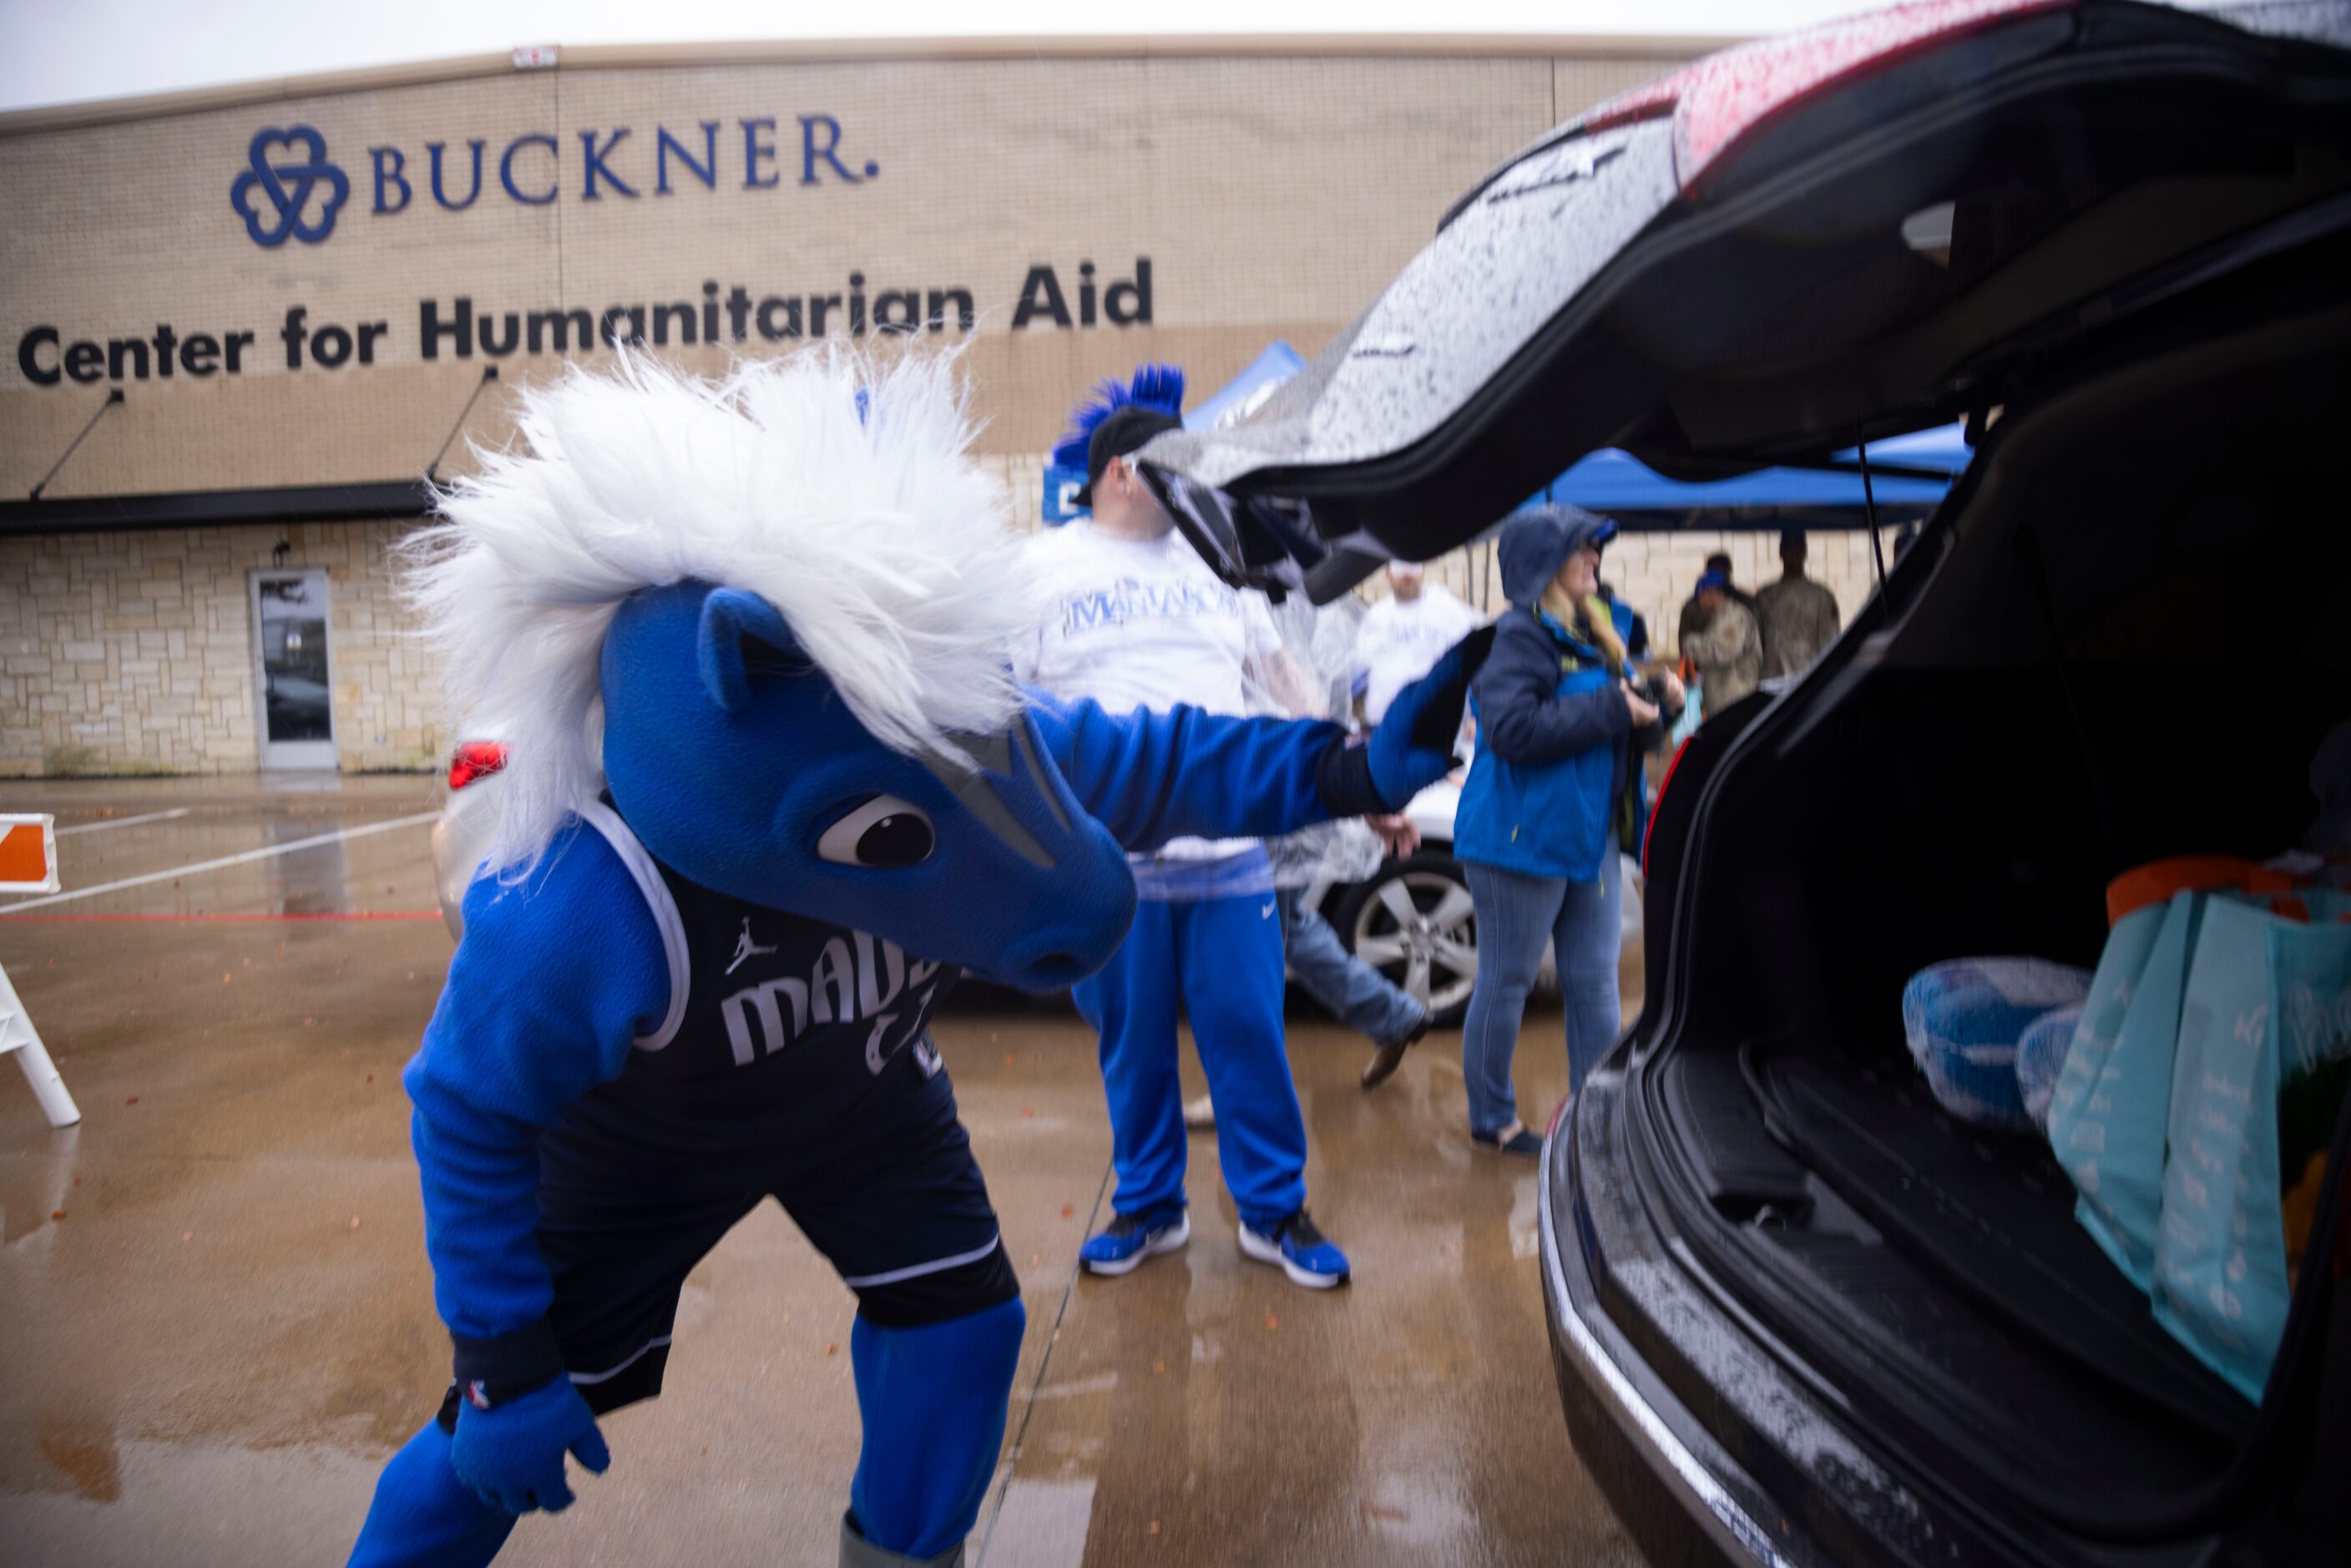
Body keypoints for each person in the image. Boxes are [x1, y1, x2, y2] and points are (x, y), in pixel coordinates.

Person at [342, 350, 1469, 1568]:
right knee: (484, 1452)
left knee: (963, 1335)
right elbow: (463, 1104)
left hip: (864, 1102)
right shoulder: (587, 903)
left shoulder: (931, 721)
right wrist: (502, 1355)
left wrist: (1344, 768)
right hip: (641, 1151)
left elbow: (1149, 761)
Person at [1019, 364, 1418, 1290]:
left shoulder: (1215, 567)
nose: (1196, 481)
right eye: (1177, 465)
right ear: (1123, 472)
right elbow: (1007, 713)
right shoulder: (1034, 570)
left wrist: (1365, 784)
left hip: (1230, 856)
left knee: (1248, 1033)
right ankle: (1150, 1208)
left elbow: (1287, 690)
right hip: (1109, 862)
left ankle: (1273, 1212)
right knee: (1134, 1049)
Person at [1453, 506, 1681, 1156]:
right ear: (1542, 563)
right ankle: (1493, 1119)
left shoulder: (1607, 628)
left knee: (1594, 983)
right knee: (1507, 981)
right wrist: (1614, 705)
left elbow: (1629, 730)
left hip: (1591, 837)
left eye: (1594, 547)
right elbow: (1512, 732)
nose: (1594, 557)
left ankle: (1596, 1119)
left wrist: (1658, 709)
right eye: (1581, 548)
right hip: (1518, 842)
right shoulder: (1518, 637)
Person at [1353, 560, 1482, 724]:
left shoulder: (1449, 611)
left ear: (1422, 571)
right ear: (1387, 574)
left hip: (1439, 724)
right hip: (1386, 724)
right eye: (1399, 567)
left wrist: (1473, 715)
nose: (1407, 573)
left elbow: (1473, 663)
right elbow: (1359, 671)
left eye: (1413, 565)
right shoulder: (1376, 617)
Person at [1754, 529, 1842, 677]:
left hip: (1808, 676)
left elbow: (1829, 641)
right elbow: (1756, 643)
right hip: (1772, 675)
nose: (1793, 553)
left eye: (1798, 547)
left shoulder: (1821, 596)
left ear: (1805, 551)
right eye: (1788, 548)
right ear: (1781, 551)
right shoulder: (1765, 596)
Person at [1681, 569, 1762, 717]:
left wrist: (1691, 642)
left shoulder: (1735, 617)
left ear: (1712, 593)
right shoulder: (1719, 618)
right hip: (1723, 701)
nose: (1699, 602)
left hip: (1735, 701)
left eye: (1700, 596)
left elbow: (1724, 652)